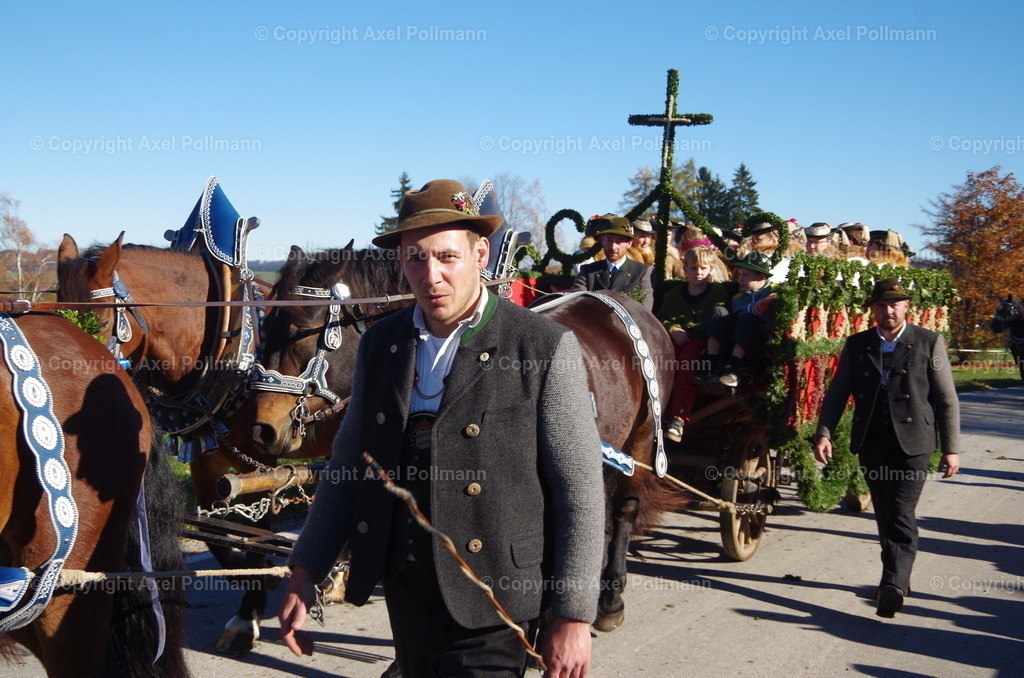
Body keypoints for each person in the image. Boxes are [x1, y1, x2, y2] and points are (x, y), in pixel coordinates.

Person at [278, 179, 605, 677]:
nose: (431, 276)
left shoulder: (540, 345)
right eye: (415, 258)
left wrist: (573, 614)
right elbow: (349, 462)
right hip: (407, 585)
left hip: (498, 595)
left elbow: (579, 490)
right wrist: (306, 570)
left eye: (447, 257)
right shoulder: (382, 344)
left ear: (480, 253)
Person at [813, 277, 960, 618]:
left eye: (895, 304)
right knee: (884, 512)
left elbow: (946, 400)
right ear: (872, 309)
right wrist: (824, 433)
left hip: (914, 444)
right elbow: (837, 393)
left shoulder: (928, 342)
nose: (888, 310)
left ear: (907, 306)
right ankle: (898, 577)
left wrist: (951, 447)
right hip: (873, 441)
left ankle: (891, 584)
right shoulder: (858, 344)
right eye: (881, 304)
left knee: (901, 511)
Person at [656, 245, 730, 441]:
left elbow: (719, 321)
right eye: (694, 268)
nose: (698, 273)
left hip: (701, 341)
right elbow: (662, 317)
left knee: (687, 369)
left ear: (711, 269)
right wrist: (673, 329)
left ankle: (678, 418)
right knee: (661, 366)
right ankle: (656, 414)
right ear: (685, 269)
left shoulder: (717, 293)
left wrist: (697, 333)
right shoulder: (675, 294)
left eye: (704, 268)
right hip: (676, 338)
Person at [692, 251, 775, 388]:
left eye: (746, 275)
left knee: (747, 318)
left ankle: (733, 368)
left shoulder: (772, 290)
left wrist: (771, 297)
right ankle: (712, 365)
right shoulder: (738, 297)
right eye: (740, 274)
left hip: (759, 346)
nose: (740, 279)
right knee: (718, 311)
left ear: (761, 277)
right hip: (737, 340)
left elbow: (789, 290)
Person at [572, 214, 654, 310]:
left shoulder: (642, 272)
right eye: (609, 240)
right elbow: (577, 304)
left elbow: (644, 311)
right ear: (602, 241)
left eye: (619, 242)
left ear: (629, 243)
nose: (613, 247)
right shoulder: (587, 271)